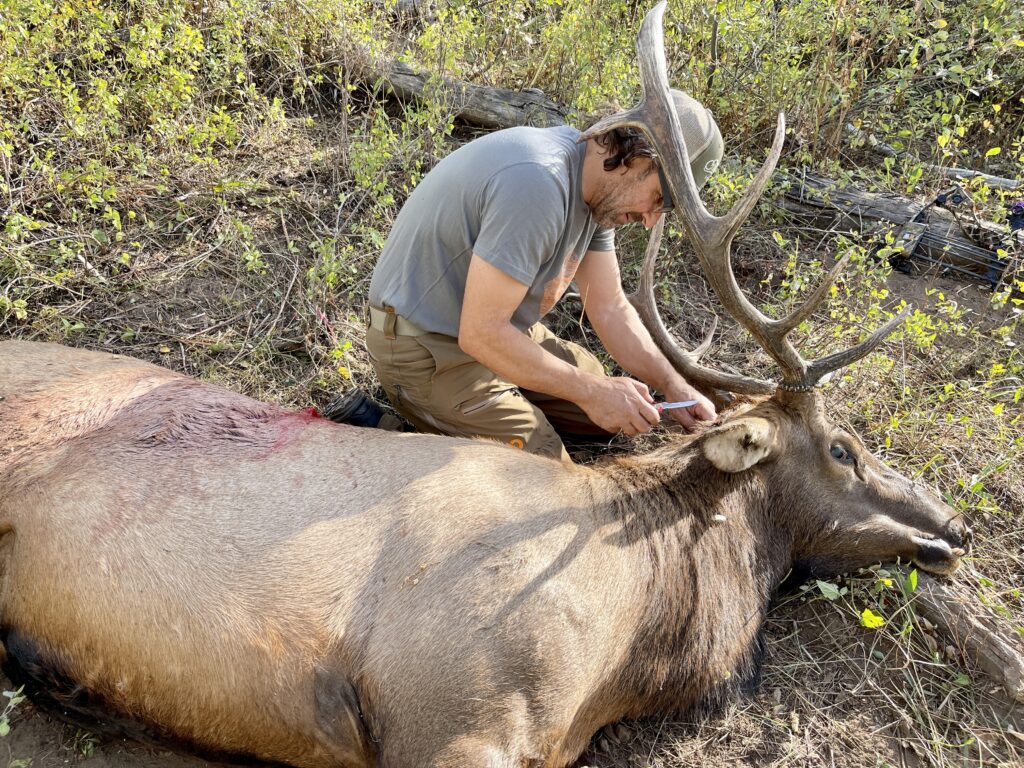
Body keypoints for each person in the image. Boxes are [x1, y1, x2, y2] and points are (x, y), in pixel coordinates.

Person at [363, 90, 723, 462]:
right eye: (660, 198)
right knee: (541, 467)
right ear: (638, 156)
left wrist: (672, 385)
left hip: (494, 332)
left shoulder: (599, 192)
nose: (651, 221)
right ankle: (399, 438)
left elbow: (610, 306)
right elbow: (482, 333)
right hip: (424, 348)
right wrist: (592, 392)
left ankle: (474, 416)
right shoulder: (538, 184)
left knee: (610, 410)